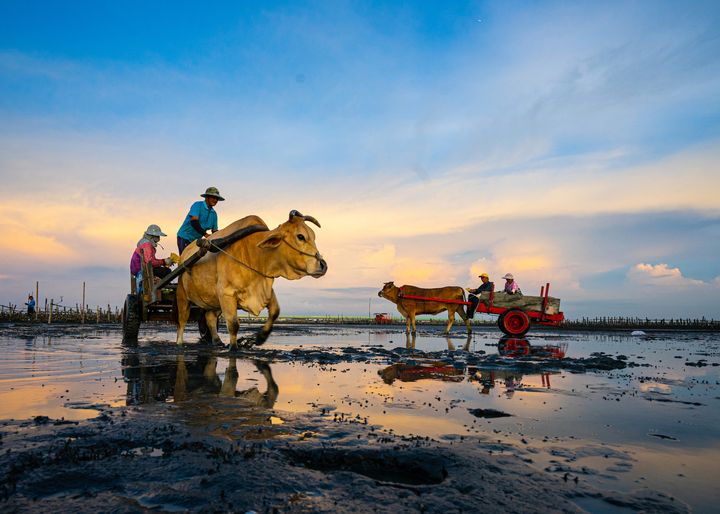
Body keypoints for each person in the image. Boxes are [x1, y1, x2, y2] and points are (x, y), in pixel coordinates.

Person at [176, 187, 224, 254]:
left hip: (195, 241)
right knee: (185, 257)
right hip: (184, 236)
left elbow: (214, 231)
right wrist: (206, 234)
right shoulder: (197, 205)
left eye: (217, 198)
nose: (215, 200)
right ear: (206, 197)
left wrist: (223, 236)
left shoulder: (214, 214)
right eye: (213, 197)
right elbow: (194, 222)